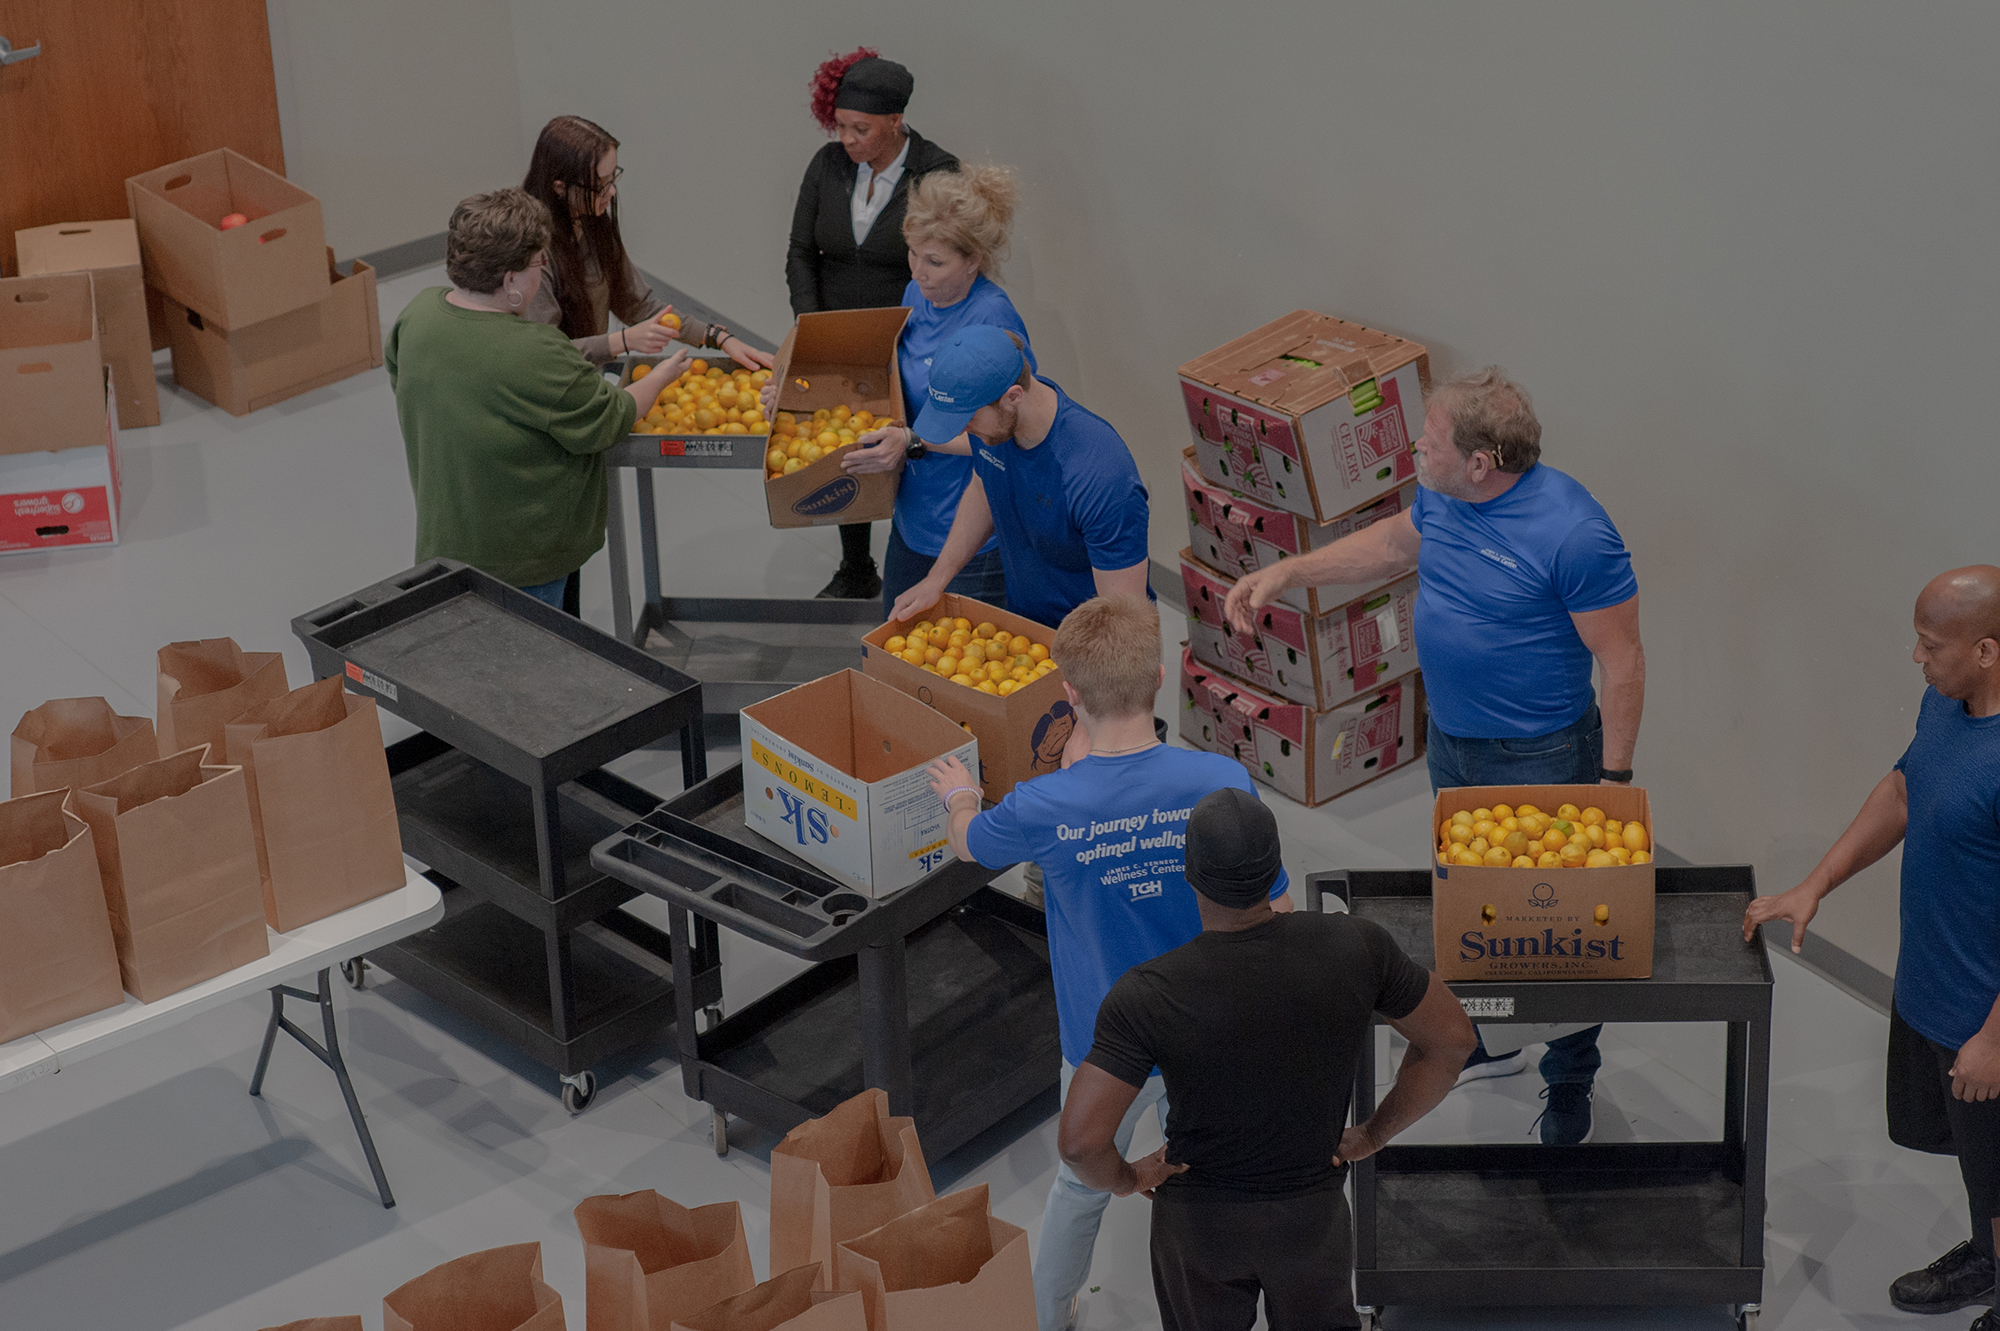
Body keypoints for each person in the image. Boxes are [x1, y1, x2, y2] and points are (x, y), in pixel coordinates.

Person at [1223, 366, 1645, 1145]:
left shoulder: (1574, 532)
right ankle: (1486, 1035)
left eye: (1430, 438)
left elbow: (1621, 661)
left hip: (1541, 759)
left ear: (1481, 462)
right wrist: (1289, 571)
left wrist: (1610, 787)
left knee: (1553, 930)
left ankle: (1569, 1074)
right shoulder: (1447, 495)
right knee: (1473, 900)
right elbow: (1391, 545)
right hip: (1453, 743)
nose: (1414, 444)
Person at [925, 595, 1290, 1331]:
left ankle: (1048, 1316)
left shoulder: (1044, 804)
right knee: (1221, 1176)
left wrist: (960, 797)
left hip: (1104, 1044)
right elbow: (1274, 910)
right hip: (1210, 1029)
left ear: (1070, 694)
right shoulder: (1221, 784)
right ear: (1159, 677)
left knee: (1080, 1186)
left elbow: (969, 844)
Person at [1061, 787, 1477, 1331]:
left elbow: (1080, 1143)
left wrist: (1127, 1178)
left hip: (1198, 1224)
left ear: (1188, 875)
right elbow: (1452, 1040)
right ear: (1276, 866)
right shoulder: (1357, 947)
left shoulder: (1148, 994)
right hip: (1309, 1214)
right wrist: (1373, 1134)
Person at [1744, 566, 2000, 1325]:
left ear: (1986, 649)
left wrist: (1994, 1034)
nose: (1916, 659)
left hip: (1983, 1024)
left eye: (1929, 644)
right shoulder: (1948, 704)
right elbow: (1903, 788)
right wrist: (1815, 884)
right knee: (1983, 1174)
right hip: (1932, 994)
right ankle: (1988, 1255)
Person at [386, 188, 688, 613]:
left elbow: (411, 382)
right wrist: (661, 375)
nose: (542, 269)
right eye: (537, 263)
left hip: (448, 541)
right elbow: (609, 417)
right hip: (523, 559)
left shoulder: (417, 315)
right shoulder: (536, 350)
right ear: (509, 279)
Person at [786, 49, 960, 601]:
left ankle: (929, 560)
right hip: (840, 335)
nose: (848, 139)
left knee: (913, 446)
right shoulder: (828, 165)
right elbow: (800, 251)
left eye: (860, 128)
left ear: (895, 122)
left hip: (911, 338)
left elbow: (947, 264)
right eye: (840, 126)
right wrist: (814, 326)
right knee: (848, 445)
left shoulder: (936, 173)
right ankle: (855, 567)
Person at [830, 165, 1029, 618]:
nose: (919, 271)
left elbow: (1008, 433)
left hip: (970, 537)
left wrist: (915, 442)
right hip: (913, 518)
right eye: (913, 254)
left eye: (935, 261)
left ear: (974, 259)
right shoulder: (917, 294)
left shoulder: (993, 322)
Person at [522, 115, 771, 371]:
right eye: (600, 185)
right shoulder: (531, 251)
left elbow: (637, 303)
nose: (611, 192)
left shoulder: (591, 223)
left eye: (613, 179)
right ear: (560, 188)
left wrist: (716, 336)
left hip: (586, 383)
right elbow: (545, 353)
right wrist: (623, 341)